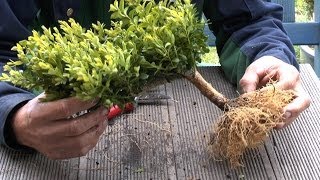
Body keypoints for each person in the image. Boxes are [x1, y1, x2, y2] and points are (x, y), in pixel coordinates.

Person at [0, 0, 311, 159]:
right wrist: (15, 116)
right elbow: (3, 48)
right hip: (62, 129)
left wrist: (268, 57)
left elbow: (249, 20)